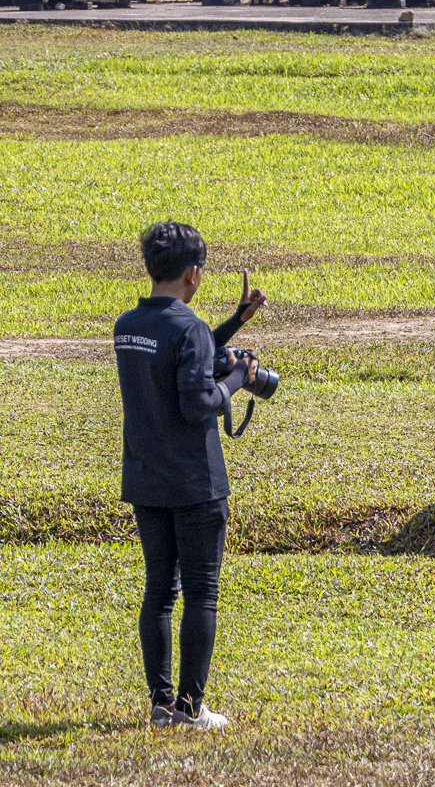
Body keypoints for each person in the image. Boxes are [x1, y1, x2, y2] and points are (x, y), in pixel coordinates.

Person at [114, 223, 270, 731]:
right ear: (194, 273)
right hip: (195, 482)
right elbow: (198, 400)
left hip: (145, 476)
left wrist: (233, 324)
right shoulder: (189, 330)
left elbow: (182, 352)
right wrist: (237, 378)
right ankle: (191, 708)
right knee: (202, 591)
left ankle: (161, 707)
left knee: (159, 589)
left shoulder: (129, 324)